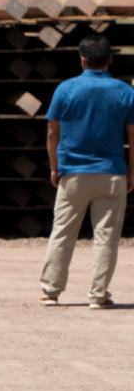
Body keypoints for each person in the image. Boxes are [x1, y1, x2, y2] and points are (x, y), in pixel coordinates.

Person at [39, 33, 134, 309]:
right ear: (110, 60)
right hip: (112, 174)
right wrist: (131, 172)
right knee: (106, 238)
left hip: (74, 174)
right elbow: (132, 137)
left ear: (82, 60)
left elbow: (51, 131)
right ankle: (98, 295)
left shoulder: (65, 90)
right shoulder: (126, 92)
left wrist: (54, 166)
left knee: (63, 233)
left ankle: (51, 290)